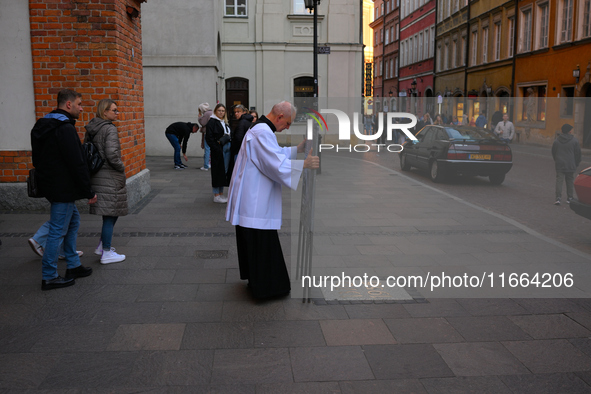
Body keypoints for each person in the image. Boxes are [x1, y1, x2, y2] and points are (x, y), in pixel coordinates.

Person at [226, 101, 320, 299]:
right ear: (279, 117)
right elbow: (274, 163)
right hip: (255, 201)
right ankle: (266, 289)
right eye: (287, 123)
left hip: (253, 198)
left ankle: (258, 282)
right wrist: (303, 164)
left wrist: (297, 149)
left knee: (258, 244)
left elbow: (273, 153)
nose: (287, 127)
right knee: (261, 244)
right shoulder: (262, 132)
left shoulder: (261, 129)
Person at [30, 89, 96, 291]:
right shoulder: (65, 128)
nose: (81, 108)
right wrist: (88, 190)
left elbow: (37, 160)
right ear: (68, 105)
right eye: (79, 104)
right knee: (57, 231)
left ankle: (73, 265)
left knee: (73, 220)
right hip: (63, 188)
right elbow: (77, 162)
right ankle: (49, 276)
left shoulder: (42, 125)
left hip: (51, 185)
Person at [84, 99, 129, 264]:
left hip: (97, 174)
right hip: (110, 175)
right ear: (105, 112)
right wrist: (121, 167)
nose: (117, 113)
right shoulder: (109, 129)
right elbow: (112, 154)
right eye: (114, 110)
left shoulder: (92, 128)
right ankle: (107, 252)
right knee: (110, 214)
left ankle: (102, 246)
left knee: (110, 211)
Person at [205, 104, 232, 203]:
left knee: (223, 172)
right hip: (218, 150)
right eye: (219, 110)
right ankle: (216, 195)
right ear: (215, 111)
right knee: (217, 172)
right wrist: (217, 149)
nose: (221, 112)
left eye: (223, 111)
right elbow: (209, 138)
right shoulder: (211, 122)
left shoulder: (224, 122)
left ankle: (221, 194)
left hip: (227, 149)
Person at [552, 124, 581, 205]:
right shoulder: (574, 141)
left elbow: (554, 152)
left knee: (559, 181)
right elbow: (578, 154)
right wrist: (576, 163)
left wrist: (557, 160)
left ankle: (558, 197)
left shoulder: (557, 141)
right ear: (569, 131)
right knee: (570, 181)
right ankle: (570, 197)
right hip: (571, 164)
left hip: (560, 163)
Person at [198, 103, 213, 171]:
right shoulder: (212, 112)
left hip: (208, 133)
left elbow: (203, 123)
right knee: (211, 149)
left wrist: (199, 117)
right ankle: (210, 163)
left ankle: (206, 166)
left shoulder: (206, 114)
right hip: (213, 133)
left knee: (207, 149)